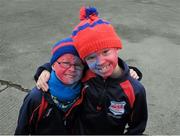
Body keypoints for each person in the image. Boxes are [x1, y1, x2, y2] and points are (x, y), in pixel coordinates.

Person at [34, 6, 147, 135]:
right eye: (91, 57)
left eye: (105, 52)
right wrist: (45, 70)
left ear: (117, 48)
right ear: (85, 61)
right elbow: (64, 64)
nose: (100, 62)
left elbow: (137, 129)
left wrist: (132, 71)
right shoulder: (86, 72)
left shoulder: (136, 90)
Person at [15, 37, 85, 135]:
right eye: (65, 63)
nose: (72, 69)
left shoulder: (86, 91)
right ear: (52, 65)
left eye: (78, 64)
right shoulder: (36, 98)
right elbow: (22, 130)